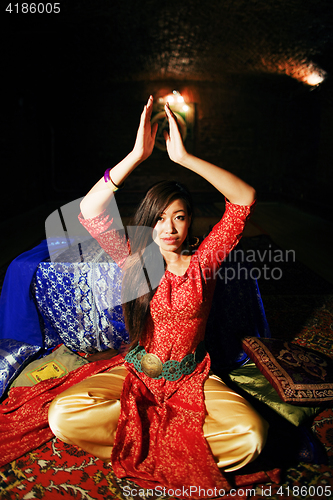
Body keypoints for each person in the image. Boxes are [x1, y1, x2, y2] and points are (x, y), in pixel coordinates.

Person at [48, 96, 268, 496]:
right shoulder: (134, 260)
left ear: (189, 223)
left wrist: (184, 158)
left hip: (192, 378)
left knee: (252, 436)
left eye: (179, 216)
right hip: (136, 373)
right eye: (161, 217)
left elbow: (243, 200)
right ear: (148, 222)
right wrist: (136, 155)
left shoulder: (205, 262)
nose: (169, 227)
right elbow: (91, 209)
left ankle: (151, 442)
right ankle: (152, 439)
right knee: (61, 417)